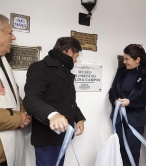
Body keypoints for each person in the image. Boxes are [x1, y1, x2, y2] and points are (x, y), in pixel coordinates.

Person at [23, 37, 86, 166]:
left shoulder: (65, 70)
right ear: (69, 51)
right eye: (76, 56)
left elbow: (68, 100)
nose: (76, 60)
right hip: (47, 138)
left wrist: (79, 118)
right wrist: (52, 114)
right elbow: (31, 99)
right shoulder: (40, 67)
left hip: (63, 136)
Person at [109, 44, 146, 166]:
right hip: (118, 119)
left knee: (132, 152)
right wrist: (115, 102)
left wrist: (130, 102)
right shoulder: (121, 71)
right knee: (119, 150)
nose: (124, 61)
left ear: (137, 59)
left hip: (135, 120)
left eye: (127, 59)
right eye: (124, 58)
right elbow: (112, 90)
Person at [0, 14, 31, 166]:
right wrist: (19, 118)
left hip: (8, 151)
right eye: (9, 32)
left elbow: (14, 95)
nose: (13, 38)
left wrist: (24, 113)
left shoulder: (3, 61)